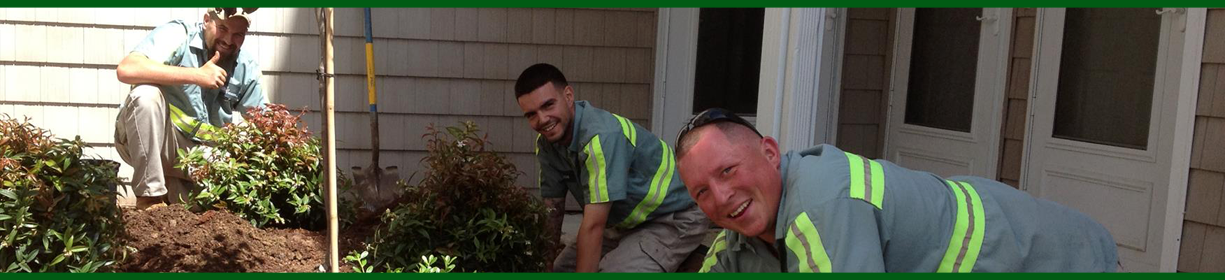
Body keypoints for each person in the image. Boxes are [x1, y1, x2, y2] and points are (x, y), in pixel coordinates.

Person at [674, 108, 1119, 272]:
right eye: (701, 192)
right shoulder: (744, 233)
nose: (720, 196)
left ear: (770, 152)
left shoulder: (823, 206)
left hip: (1046, 255)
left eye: (728, 171)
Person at [514, 63, 710, 272]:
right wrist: (545, 267)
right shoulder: (546, 145)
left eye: (548, 105)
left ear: (569, 96)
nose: (542, 119)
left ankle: (689, 263)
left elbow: (594, 226)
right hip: (624, 224)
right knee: (562, 271)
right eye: (531, 114)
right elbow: (551, 212)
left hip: (675, 215)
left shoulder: (601, 137)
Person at [115, 8, 266, 209]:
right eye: (222, 28)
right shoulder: (179, 34)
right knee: (145, 95)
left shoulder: (246, 66)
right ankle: (149, 198)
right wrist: (196, 75)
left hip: (199, 155)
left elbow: (265, 124)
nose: (229, 40)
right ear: (206, 21)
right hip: (160, 143)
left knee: (214, 210)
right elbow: (128, 69)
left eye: (238, 34)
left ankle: (176, 196)